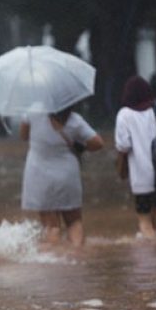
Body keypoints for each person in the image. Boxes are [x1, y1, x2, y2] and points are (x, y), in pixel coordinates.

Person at [19, 104, 104, 247]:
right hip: (67, 175)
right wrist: (80, 146)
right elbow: (98, 143)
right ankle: (77, 255)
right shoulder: (74, 120)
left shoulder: (31, 112)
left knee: (50, 226)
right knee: (74, 222)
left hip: (39, 175)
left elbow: (23, 136)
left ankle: (55, 261)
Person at [114, 76, 156, 239]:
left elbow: (123, 146)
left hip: (141, 178)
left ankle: (151, 260)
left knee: (144, 221)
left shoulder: (124, 115)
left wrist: (121, 168)